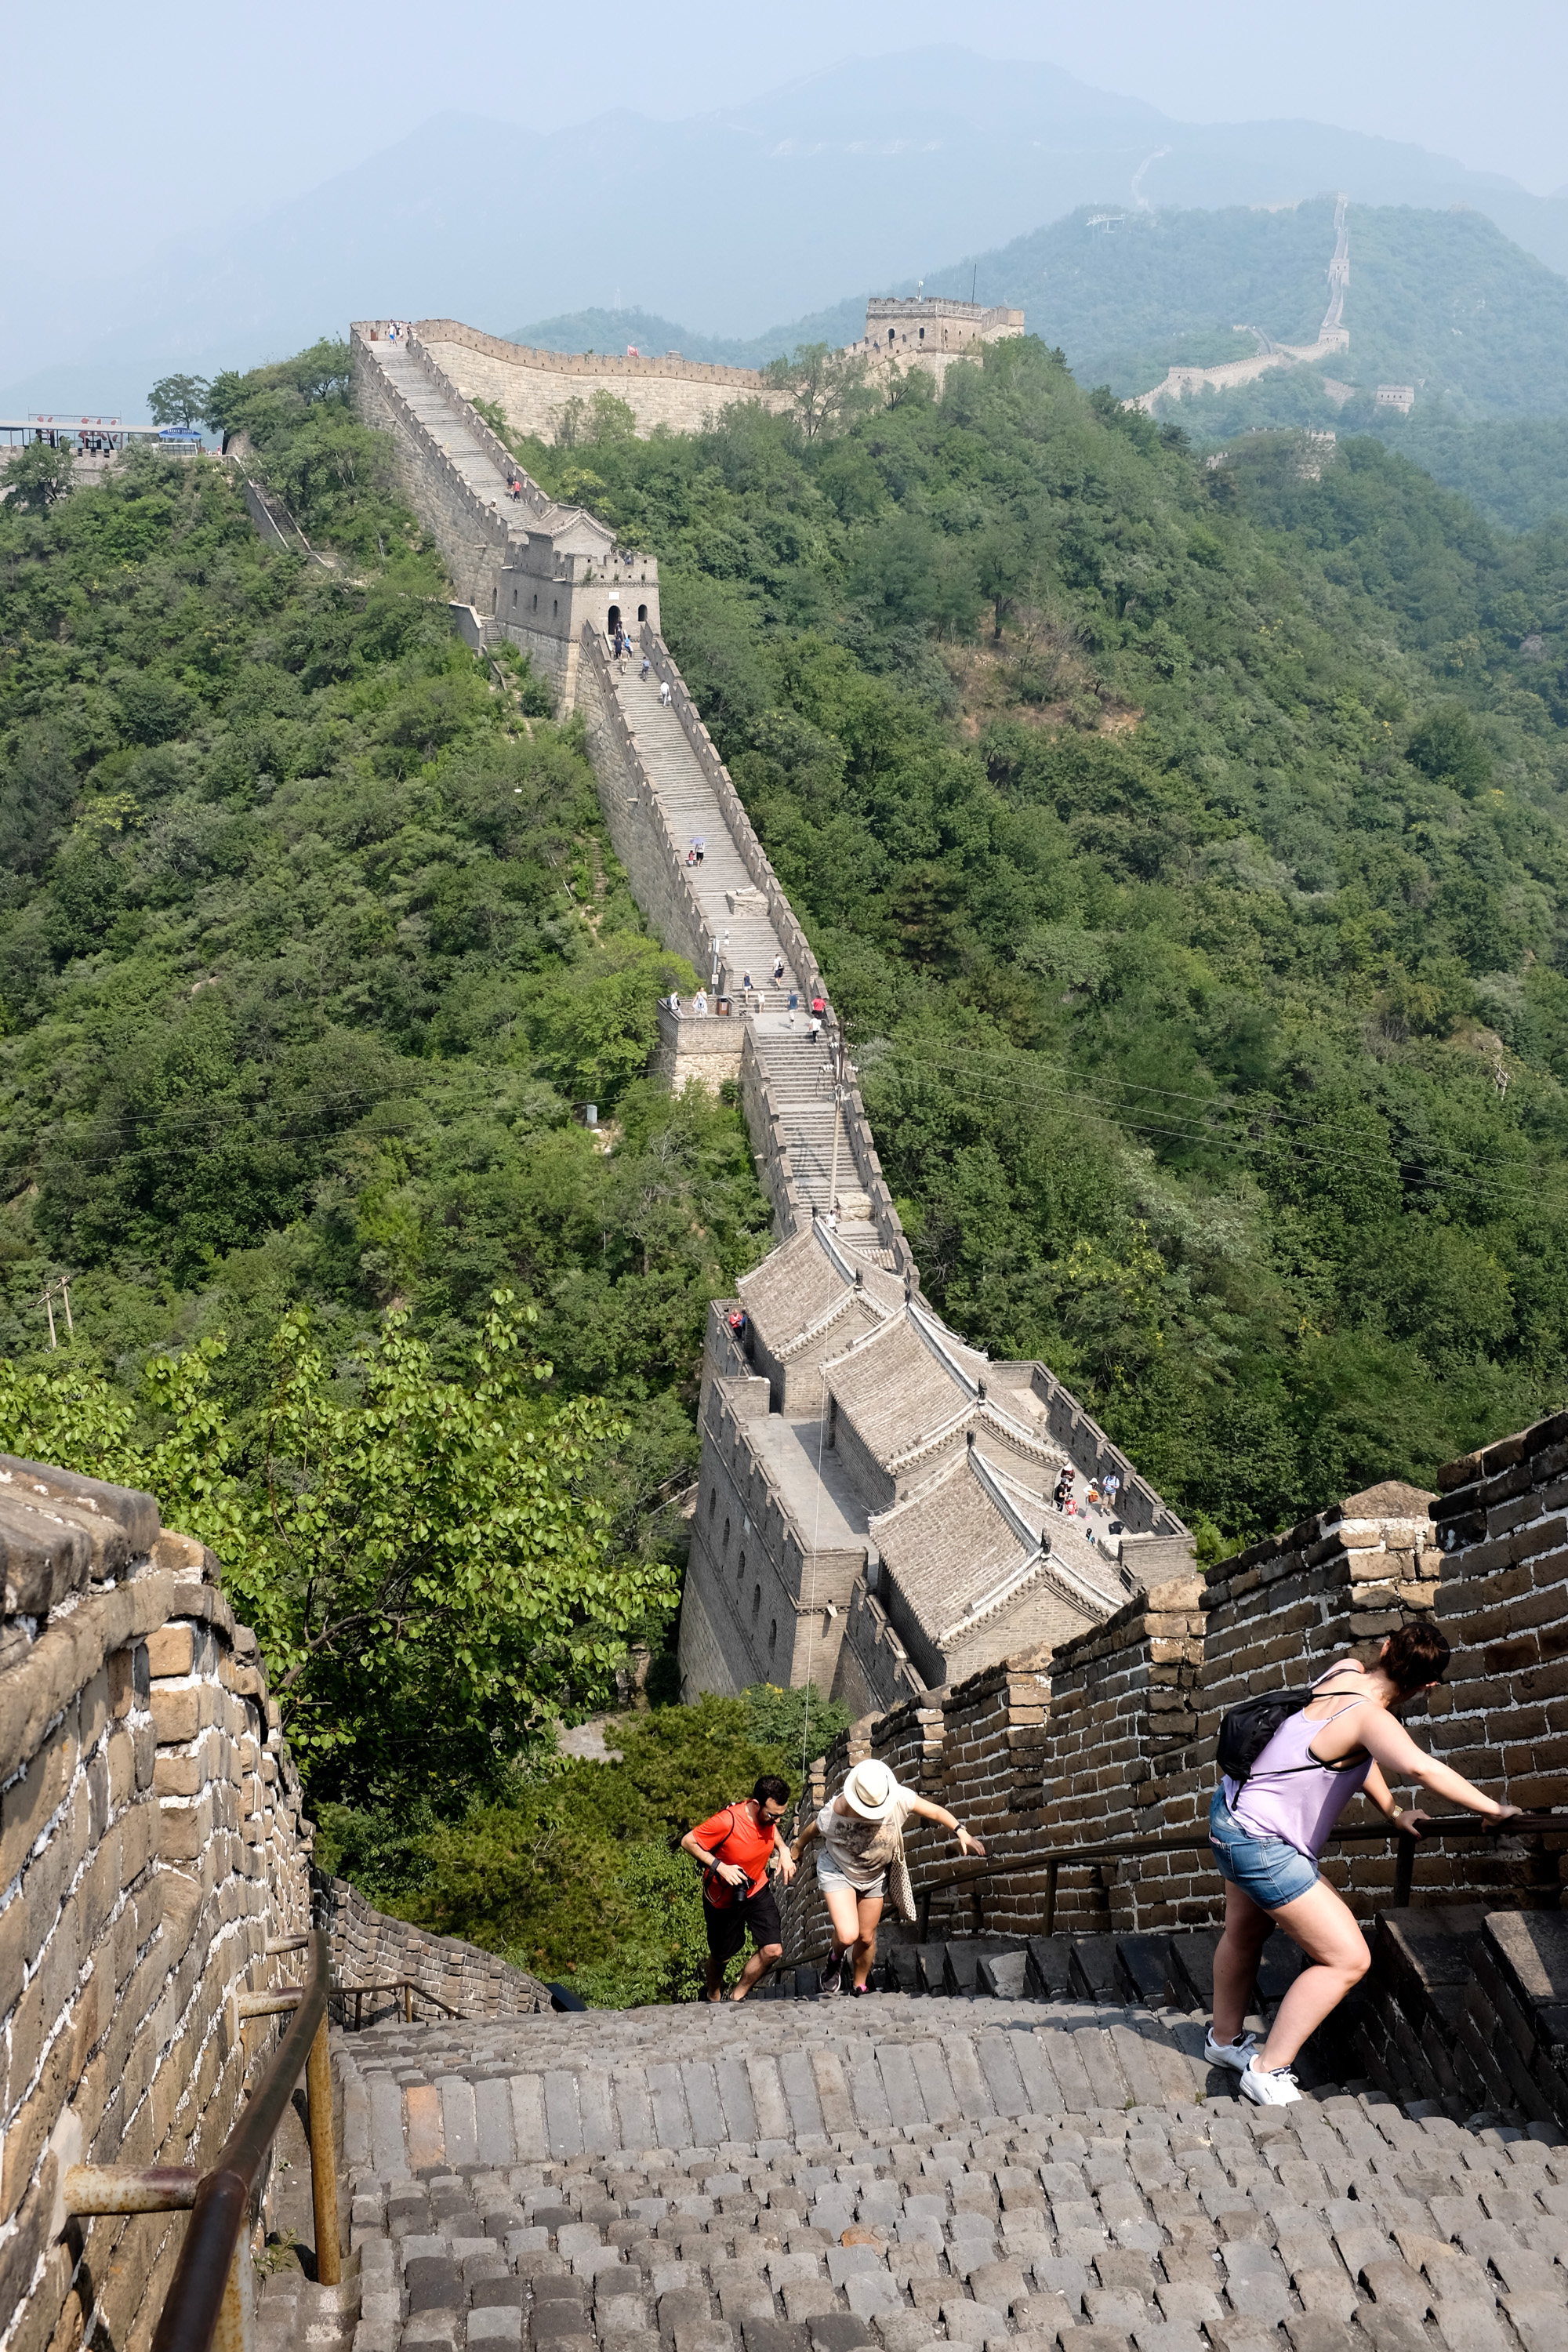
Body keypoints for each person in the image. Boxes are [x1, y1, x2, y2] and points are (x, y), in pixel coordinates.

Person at [1207, 1623, 1521, 2107]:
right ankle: (1267, 2070)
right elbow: (1419, 1767)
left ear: (1386, 1647)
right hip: (1263, 1844)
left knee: (1245, 1933)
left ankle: (1223, 2040)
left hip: (1231, 1815)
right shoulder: (1373, 1719)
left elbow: (1356, 1753)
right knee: (1348, 1959)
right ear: (1428, 1685)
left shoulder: (1343, 1671)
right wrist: (1493, 1809)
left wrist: (1393, 1812)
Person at [793, 1759, 984, 1997]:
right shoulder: (836, 1811)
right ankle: (835, 1958)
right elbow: (814, 1828)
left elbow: (934, 1811)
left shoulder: (898, 1798)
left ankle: (859, 1985)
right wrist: (797, 1847)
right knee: (848, 1934)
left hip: (874, 1875)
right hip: (838, 1869)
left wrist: (960, 1831)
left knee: (866, 1937)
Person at [681, 1776, 796, 2002]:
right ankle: (712, 1993)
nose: (776, 1821)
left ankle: (737, 1996)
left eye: (781, 1816)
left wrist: (783, 1849)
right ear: (756, 1804)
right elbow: (688, 1841)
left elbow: (772, 1829)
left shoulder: (769, 1820)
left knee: (773, 1950)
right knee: (721, 1957)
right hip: (723, 1898)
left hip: (756, 1888)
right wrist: (720, 1866)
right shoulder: (728, 1821)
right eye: (772, 1815)